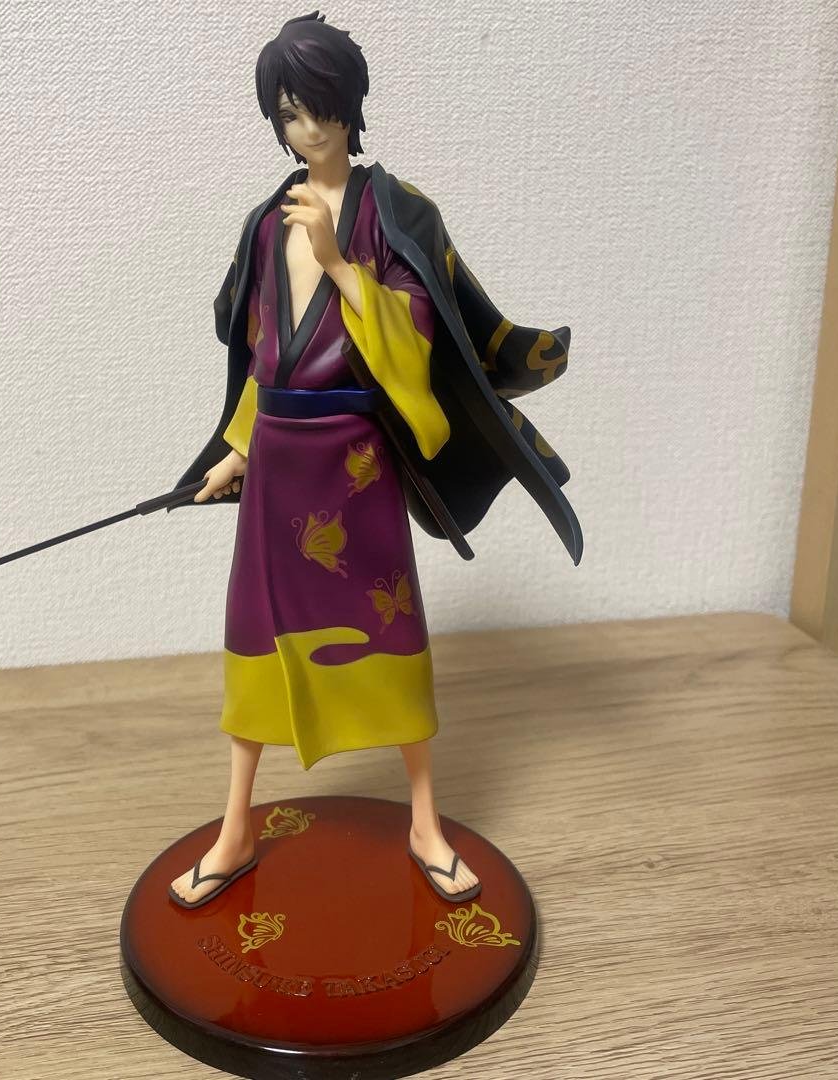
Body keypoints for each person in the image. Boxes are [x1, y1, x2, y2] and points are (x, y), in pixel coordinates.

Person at [168, 11, 580, 908]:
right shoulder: (265, 224)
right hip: (278, 465)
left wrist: (340, 263)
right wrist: (235, 450)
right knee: (257, 637)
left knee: (389, 631)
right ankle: (237, 828)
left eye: (320, 107)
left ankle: (425, 821)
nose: (307, 128)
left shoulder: (398, 213)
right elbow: (265, 351)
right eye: (289, 112)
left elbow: (418, 340)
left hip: (355, 462)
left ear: (351, 105)